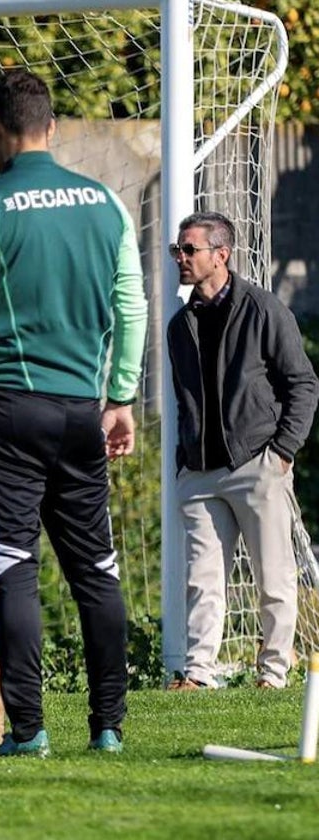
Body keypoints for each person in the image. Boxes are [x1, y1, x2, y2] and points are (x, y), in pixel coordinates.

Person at [0, 70, 148, 756]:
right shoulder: (105, 201)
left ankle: (29, 731)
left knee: (11, 565)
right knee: (97, 570)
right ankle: (108, 727)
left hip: (9, 410)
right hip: (84, 410)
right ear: (52, 126)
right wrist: (123, 398)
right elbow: (131, 306)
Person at [166, 212, 318, 691]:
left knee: (273, 579)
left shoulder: (264, 309)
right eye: (178, 250)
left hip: (258, 464)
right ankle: (198, 674)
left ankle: (273, 675)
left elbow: (303, 383)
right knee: (202, 580)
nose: (181, 259)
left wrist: (283, 452)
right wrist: (182, 461)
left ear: (221, 255)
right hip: (199, 472)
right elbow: (182, 400)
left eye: (189, 250)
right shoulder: (179, 325)